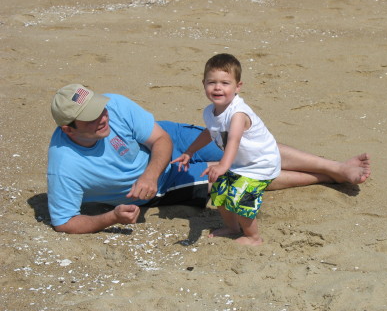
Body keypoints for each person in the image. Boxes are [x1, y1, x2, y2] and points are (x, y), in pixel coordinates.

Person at [47, 84, 370, 235]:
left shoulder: (114, 104)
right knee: (237, 176)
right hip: (165, 181)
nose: (103, 117)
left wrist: (148, 170)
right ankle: (326, 178)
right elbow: (64, 222)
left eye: (100, 109)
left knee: (236, 142)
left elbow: (160, 138)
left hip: (167, 142)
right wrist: (111, 217)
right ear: (68, 128)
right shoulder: (66, 166)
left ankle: (334, 166)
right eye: (91, 118)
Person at [171, 53, 280, 245]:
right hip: (240, 163)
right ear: (203, 83)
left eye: (225, 83)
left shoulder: (238, 113)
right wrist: (189, 151)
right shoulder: (210, 111)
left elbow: (234, 140)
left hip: (260, 164)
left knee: (240, 198)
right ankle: (232, 227)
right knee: (219, 191)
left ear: (238, 86)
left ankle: (254, 237)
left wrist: (222, 165)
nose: (218, 87)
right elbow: (209, 132)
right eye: (212, 82)